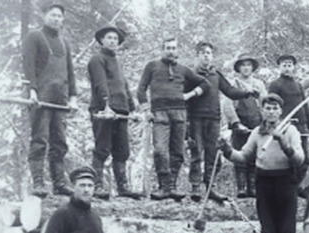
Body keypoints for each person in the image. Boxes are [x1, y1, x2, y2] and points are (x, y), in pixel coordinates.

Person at [218, 94, 304, 233]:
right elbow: (243, 156)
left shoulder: (290, 131)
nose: (271, 112)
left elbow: (299, 159)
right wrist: (227, 150)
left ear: (280, 111)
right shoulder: (258, 132)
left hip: (285, 181)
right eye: (268, 108)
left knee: (286, 227)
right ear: (262, 111)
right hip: (264, 181)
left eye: (274, 108)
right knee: (268, 227)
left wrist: (284, 144)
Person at [136, 37, 210, 201]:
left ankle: (173, 187)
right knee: (160, 151)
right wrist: (146, 110)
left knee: (177, 152)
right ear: (162, 49)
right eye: (168, 48)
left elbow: (205, 83)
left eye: (174, 48)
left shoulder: (183, 69)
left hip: (179, 114)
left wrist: (190, 94)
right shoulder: (152, 66)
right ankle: (163, 187)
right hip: (159, 113)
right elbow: (141, 90)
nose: (171, 51)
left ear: (178, 51)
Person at [185, 42, 256, 202]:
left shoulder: (216, 74)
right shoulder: (190, 74)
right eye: (202, 53)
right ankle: (195, 187)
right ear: (197, 56)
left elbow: (230, 91)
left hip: (214, 119)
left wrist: (246, 93)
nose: (206, 56)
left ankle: (210, 188)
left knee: (213, 153)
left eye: (209, 53)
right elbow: (185, 98)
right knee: (197, 152)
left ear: (212, 56)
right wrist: (187, 123)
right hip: (195, 119)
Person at [22, 3, 78, 198]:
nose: (57, 19)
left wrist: (73, 97)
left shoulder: (64, 42)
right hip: (41, 98)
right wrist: (32, 91)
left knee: (60, 142)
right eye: (53, 15)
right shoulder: (34, 37)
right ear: (45, 16)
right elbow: (28, 66)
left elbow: (70, 72)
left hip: (60, 100)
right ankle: (38, 182)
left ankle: (59, 183)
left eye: (60, 17)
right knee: (40, 139)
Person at [87, 25, 141, 200]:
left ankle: (123, 187)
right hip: (104, 110)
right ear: (102, 40)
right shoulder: (97, 59)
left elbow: (124, 86)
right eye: (109, 38)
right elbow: (100, 83)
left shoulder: (117, 62)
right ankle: (97, 185)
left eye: (115, 39)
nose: (112, 41)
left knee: (122, 149)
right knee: (102, 147)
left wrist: (133, 110)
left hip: (121, 111)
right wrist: (105, 105)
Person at [223, 54, 267, 198]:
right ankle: (241, 188)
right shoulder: (233, 84)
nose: (246, 68)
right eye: (243, 65)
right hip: (240, 124)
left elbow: (266, 103)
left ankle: (253, 188)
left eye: (249, 65)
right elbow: (227, 105)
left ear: (252, 67)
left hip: (256, 124)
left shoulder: (259, 84)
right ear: (238, 68)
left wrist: (265, 123)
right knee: (239, 155)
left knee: (254, 156)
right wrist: (236, 123)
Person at [268, 55, 309, 182]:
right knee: (288, 153)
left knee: (303, 156)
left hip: (301, 125)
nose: (287, 68)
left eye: (289, 65)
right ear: (280, 67)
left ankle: (301, 185)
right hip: (285, 125)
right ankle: (289, 183)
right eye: (284, 65)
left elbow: (304, 105)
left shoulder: (298, 85)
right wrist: (274, 123)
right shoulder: (275, 85)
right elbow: (271, 106)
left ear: (293, 67)